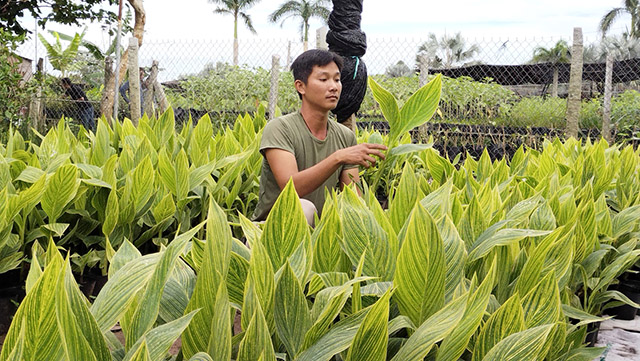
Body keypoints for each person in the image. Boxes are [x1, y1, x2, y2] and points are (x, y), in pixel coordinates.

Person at [252, 49, 387, 226]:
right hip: (271, 231)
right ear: (300, 86)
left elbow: (353, 198)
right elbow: (291, 189)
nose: (333, 87)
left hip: (320, 234)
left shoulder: (345, 136)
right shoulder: (280, 128)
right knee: (303, 208)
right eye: (323, 79)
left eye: (337, 79)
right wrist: (338, 158)